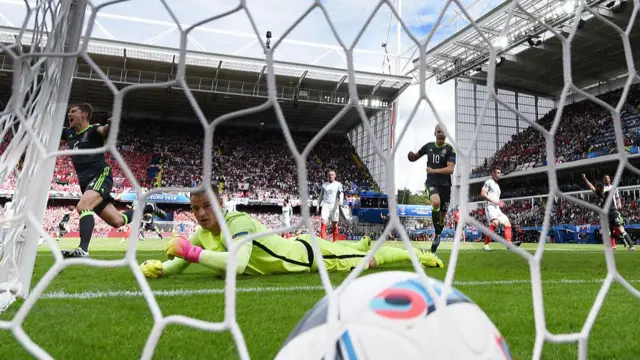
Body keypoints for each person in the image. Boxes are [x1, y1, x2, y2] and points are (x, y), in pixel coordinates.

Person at [139, 187, 444, 279]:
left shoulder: (239, 222)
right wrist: (160, 268)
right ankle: (361, 240)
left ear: (221, 204)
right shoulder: (203, 233)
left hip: (312, 258)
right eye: (196, 209)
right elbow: (181, 260)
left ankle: (417, 253)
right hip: (302, 246)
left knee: (369, 260)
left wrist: (190, 252)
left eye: (207, 206)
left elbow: (238, 265)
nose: (202, 214)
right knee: (358, 250)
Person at [60, 103, 166, 258]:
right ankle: (147, 208)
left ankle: (83, 250)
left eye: (73, 111)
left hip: (100, 175)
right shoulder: (68, 132)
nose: (69, 114)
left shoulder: (93, 130)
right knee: (117, 221)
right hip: (86, 184)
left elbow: (105, 130)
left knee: (83, 206)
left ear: (84, 114)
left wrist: (112, 122)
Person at [407, 124, 456, 254]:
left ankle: (438, 235)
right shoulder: (428, 147)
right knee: (435, 203)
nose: (441, 134)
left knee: (442, 216)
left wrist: (434, 170)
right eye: (439, 132)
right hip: (431, 183)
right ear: (434, 133)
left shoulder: (450, 149)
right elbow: (416, 156)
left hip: (446, 186)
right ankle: (437, 235)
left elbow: (450, 169)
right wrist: (411, 156)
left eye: (443, 132)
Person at [582, 173, 636, 251]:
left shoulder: (606, 191)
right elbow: (592, 187)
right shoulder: (606, 191)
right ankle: (625, 243)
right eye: (605, 179)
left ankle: (625, 243)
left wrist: (619, 203)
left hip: (610, 212)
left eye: (608, 178)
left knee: (613, 230)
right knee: (614, 230)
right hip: (610, 213)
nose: (606, 180)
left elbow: (592, 187)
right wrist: (585, 179)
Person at [480, 166, 521, 251]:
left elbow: (495, 198)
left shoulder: (497, 186)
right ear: (493, 173)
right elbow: (483, 194)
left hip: (497, 208)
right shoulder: (488, 182)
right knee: (494, 223)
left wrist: (499, 202)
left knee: (507, 224)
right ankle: (486, 245)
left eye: (500, 173)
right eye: (497, 173)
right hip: (490, 207)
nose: (499, 175)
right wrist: (495, 202)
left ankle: (509, 244)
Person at [317, 168, 343, 242]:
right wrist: (318, 205)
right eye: (329, 175)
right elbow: (321, 196)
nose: (330, 176)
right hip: (326, 205)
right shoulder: (324, 185)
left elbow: (341, 193)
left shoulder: (338, 184)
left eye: (332, 175)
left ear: (335, 176)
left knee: (335, 224)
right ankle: (323, 242)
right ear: (327, 176)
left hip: (334, 205)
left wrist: (341, 200)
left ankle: (334, 242)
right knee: (323, 221)